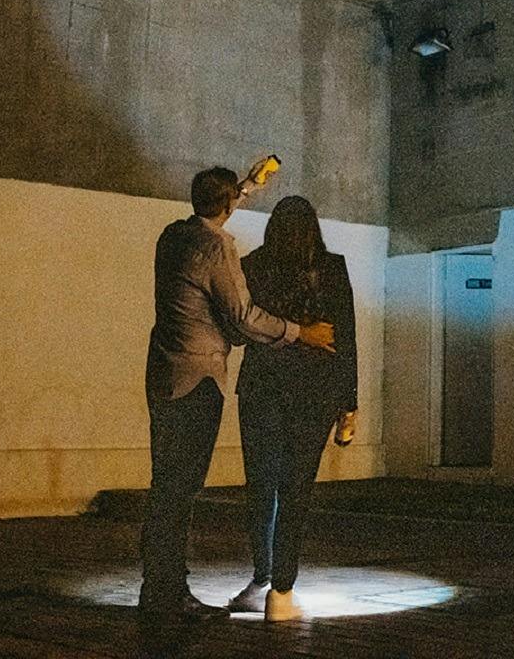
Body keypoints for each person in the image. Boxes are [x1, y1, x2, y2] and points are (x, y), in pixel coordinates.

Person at [139, 167, 335, 622]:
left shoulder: (173, 237)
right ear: (227, 207)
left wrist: (246, 186)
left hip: (164, 372)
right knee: (181, 491)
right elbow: (243, 316)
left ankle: (157, 585)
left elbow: (215, 209)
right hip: (199, 378)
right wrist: (299, 332)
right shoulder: (217, 248)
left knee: (164, 484)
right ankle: (169, 593)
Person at [226, 195, 358, 623]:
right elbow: (346, 339)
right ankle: (281, 590)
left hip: (263, 387)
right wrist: (349, 405)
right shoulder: (332, 267)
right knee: (296, 488)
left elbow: (241, 328)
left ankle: (261, 577)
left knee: (261, 485)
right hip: (316, 391)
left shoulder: (253, 266)